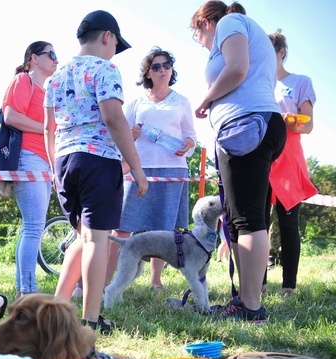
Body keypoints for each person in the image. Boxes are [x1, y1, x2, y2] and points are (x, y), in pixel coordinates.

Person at [44, 10, 148, 332]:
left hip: (63, 160)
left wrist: (54, 169)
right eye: (116, 44)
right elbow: (114, 119)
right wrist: (138, 169)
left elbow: (48, 128)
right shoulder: (105, 69)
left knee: (83, 236)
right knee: (97, 241)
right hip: (97, 160)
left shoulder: (54, 77)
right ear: (107, 37)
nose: (114, 51)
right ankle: (91, 319)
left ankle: (58, 308)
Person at [191, 1, 286, 323]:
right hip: (255, 125)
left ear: (204, 22)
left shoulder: (230, 24)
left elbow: (237, 70)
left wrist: (206, 99)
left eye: (197, 35)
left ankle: (251, 305)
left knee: (246, 220)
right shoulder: (248, 31)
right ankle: (246, 299)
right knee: (242, 217)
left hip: (246, 126)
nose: (202, 43)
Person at [110, 47, 197, 291]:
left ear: (172, 70)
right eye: (156, 66)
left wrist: (188, 145)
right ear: (148, 72)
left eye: (166, 65)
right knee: (123, 225)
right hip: (139, 168)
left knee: (164, 229)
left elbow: (191, 135)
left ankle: (155, 280)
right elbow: (120, 134)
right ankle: (113, 277)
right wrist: (132, 135)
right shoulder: (136, 102)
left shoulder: (182, 101)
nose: (162, 70)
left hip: (172, 170)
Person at [2, 41, 58, 300]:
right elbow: (11, 116)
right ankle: (27, 291)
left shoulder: (45, 91)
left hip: (43, 162)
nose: (56, 59)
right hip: (28, 158)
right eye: (51, 54)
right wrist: (46, 128)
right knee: (34, 227)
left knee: (31, 227)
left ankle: (24, 290)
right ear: (34, 58)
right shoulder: (24, 81)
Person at [264, 29, 318, 300]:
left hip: (289, 160)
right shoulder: (255, 83)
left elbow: (307, 124)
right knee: (257, 224)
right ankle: (257, 284)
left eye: (268, 49)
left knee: (288, 225)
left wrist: (282, 120)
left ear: (281, 52)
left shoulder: (300, 82)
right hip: (260, 158)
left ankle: (289, 287)